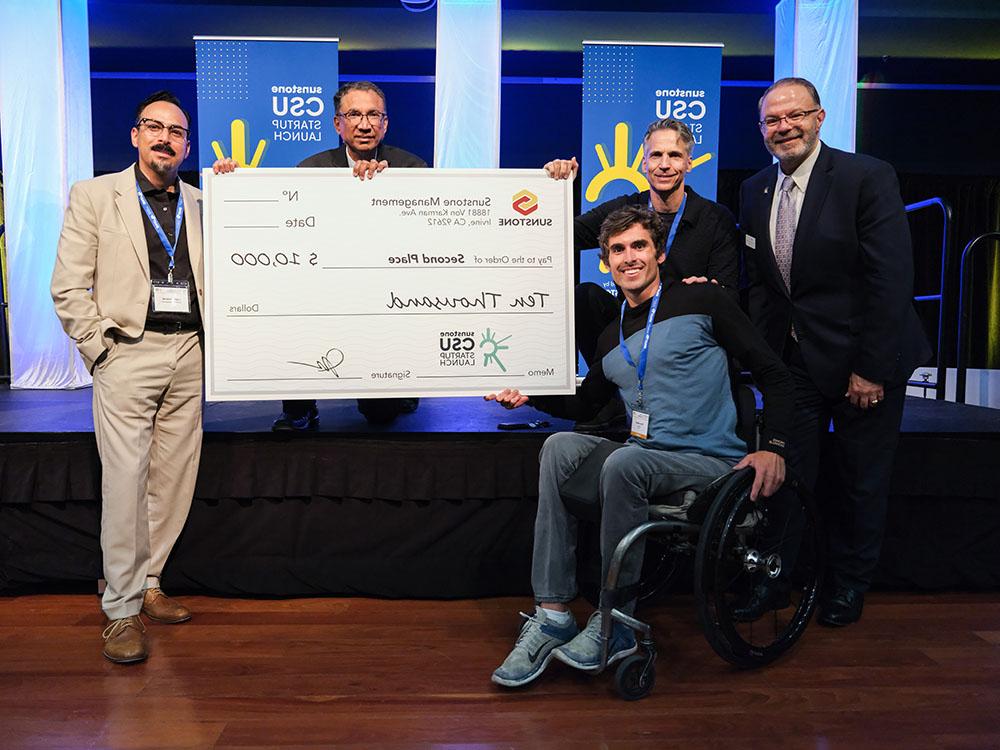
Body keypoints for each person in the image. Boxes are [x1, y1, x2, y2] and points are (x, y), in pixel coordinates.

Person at [485, 206, 795, 688]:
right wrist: (529, 392)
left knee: (626, 460)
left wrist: (773, 445)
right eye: (617, 250)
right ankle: (552, 613)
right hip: (645, 455)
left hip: (709, 460)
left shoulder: (702, 301)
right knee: (559, 448)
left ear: (659, 253)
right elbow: (586, 403)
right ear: (605, 263)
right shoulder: (610, 336)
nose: (628, 257)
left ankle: (617, 622)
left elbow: (775, 373)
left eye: (639, 246)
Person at [738, 77, 931, 627]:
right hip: (795, 364)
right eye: (772, 121)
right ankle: (776, 582)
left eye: (794, 116)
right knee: (786, 476)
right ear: (762, 130)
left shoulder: (865, 176)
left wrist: (869, 369)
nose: (784, 127)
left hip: (863, 364)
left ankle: (848, 586)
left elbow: (891, 281)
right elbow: (765, 286)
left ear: (820, 117)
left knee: (859, 480)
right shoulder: (755, 189)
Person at [51, 90, 203, 664]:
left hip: (190, 350)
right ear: (135, 134)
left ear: (186, 145)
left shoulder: (203, 202)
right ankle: (119, 610)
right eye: (155, 127)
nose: (166, 138)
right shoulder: (94, 195)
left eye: (177, 131)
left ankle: (149, 583)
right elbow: (68, 285)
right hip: (127, 352)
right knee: (124, 481)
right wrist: (100, 350)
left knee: (173, 479)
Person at [214, 80, 426, 430]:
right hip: (325, 282)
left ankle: (398, 385)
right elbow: (285, 228)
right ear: (337, 124)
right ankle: (299, 406)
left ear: (385, 123)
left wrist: (387, 192)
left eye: (374, 115)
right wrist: (230, 183)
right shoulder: (310, 169)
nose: (364, 123)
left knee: (381, 416)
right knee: (290, 300)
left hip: (384, 291)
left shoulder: (411, 168)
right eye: (354, 114)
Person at [545, 118, 740, 366]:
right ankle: (607, 389)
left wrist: (708, 291)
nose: (665, 165)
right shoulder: (625, 209)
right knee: (585, 297)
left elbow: (728, 294)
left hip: (684, 331)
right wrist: (557, 188)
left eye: (675, 155)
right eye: (656, 155)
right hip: (631, 328)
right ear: (644, 163)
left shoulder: (715, 218)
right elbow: (562, 235)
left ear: (689, 163)